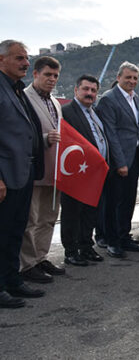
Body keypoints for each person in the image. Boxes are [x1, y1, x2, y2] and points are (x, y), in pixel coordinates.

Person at [0, 40, 46, 308]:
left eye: (26, 58)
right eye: (19, 58)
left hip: (24, 171)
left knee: (16, 229)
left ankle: (11, 279)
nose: (26, 63)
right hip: (6, 174)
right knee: (2, 231)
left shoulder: (16, 90)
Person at [20, 56, 65, 283]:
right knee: (32, 219)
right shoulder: (24, 98)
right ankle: (26, 264)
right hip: (35, 170)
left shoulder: (55, 103)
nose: (52, 79)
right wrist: (46, 137)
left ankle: (40, 257)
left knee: (48, 218)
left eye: (55, 76)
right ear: (35, 74)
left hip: (54, 171)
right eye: (48, 74)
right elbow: (20, 134)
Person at [96, 61, 139, 258]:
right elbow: (111, 134)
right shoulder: (109, 99)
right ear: (118, 78)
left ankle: (124, 236)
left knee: (128, 201)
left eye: (135, 78)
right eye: (128, 77)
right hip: (119, 160)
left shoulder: (134, 99)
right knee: (114, 202)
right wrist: (120, 162)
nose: (132, 81)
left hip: (134, 157)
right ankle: (112, 241)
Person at [59, 75, 110, 267]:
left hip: (95, 173)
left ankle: (86, 246)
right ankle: (71, 251)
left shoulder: (94, 112)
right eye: (86, 89)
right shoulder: (66, 112)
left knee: (90, 212)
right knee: (72, 212)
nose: (90, 93)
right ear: (76, 90)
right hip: (76, 173)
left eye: (93, 90)